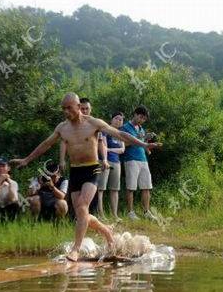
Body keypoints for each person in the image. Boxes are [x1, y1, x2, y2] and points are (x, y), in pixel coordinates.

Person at [11, 93, 161, 262]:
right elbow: (46, 144)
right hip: (75, 171)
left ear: (77, 106)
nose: (66, 112)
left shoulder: (93, 123)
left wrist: (143, 144)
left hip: (92, 169)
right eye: (63, 109)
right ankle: (106, 231)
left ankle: (76, 249)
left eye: (69, 108)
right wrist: (26, 159)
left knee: (82, 206)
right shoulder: (62, 128)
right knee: (82, 213)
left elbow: (120, 135)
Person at [59, 97, 107, 216]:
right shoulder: (66, 126)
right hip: (75, 167)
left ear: (90, 109)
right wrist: (62, 160)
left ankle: (93, 220)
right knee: (79, 208)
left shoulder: (94, 124)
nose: (85, 111)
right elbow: (64, 142)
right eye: (83, 108)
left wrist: (104, 159)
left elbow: (101, 143)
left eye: (87, 109)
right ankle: (103, 229)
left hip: (92, 167)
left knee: (85, 204)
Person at [121, 105, 159, 221]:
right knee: (131, 187)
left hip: (143, 159)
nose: (142, 120)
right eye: (141, 117)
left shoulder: (141, 129)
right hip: (131, 159)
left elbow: (141, 144)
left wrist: (148, 144)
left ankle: (146, 212)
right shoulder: (125, 127)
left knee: (146, 186)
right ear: (135, 114)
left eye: (144, 119)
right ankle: (130, 212)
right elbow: (124, 144)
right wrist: (139, 137)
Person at [97, 112, 125, 221]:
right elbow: (103, 145)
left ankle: (115, 215)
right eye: (117, 118)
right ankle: (101, 214)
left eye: (121, 119)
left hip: (116, 162)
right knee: (101, 188)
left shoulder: (120, 133)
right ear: (112, 119)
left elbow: (122, 150)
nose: (119, 121)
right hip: (104, 161)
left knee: (115, 189)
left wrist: (109, 149)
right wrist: (108, 150)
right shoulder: (105, 130)